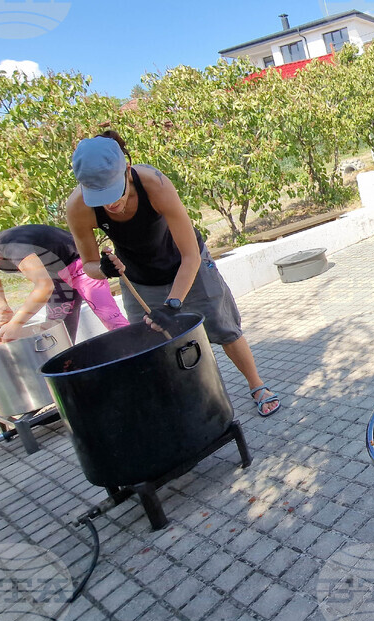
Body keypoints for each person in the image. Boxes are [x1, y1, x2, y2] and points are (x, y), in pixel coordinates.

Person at [65, 130, 280, 417]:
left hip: (187, 263)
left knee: (223, 327)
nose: (110, 204)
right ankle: (184, 403)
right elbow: (89, 265)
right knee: (149, 343)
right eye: (99, 197)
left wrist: (172, 303)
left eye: (114, 192)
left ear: (127, 170)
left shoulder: (154, 183)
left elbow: (190, 255)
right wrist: (103, 269)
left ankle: (257, 385)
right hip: (138, 278)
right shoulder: (78, 207)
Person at [0, 226, 129, 342]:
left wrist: (17, 323)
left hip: (81, 269)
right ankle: (66, 384)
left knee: (111, 318)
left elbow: (42, 287)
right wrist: (2, 320)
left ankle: (141, 355)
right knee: (57, 335)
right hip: (58, 282)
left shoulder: (10, 244)